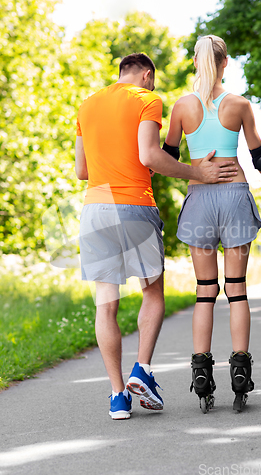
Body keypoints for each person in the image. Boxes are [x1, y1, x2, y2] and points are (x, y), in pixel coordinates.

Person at [75, 52, 238, 419]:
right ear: (146, 75)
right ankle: (142, 370)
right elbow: (150, 156)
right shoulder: (147, 99)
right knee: (152, 292)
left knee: (106, 303)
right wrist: (198, 173)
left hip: (95, 211)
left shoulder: (87, 105)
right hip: (134, 206)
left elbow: (81, 170)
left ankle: (118, 396)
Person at [165, 35, 261, 413]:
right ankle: (239, 370)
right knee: (237, 289)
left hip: (199, 200)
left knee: (204, 290)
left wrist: (195, 170)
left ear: (196, 62)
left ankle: (201, 370)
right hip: (233, 197)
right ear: (225, 63)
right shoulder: (239, 105)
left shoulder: (182, 106)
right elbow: (259, 154)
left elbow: (166, 158)